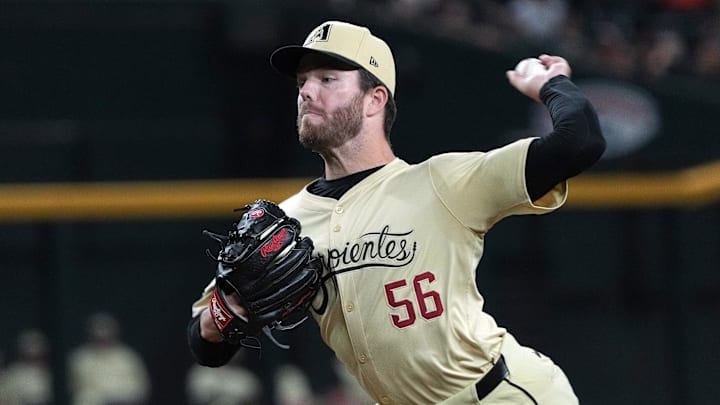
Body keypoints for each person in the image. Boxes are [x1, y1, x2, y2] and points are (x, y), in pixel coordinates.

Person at [188, 20, 605, 404]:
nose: (307, 92)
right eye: (303, 82)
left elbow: (579, 141)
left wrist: (552, 85)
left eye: (328, 79)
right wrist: (229, 313)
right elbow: (206, 344)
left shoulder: (443, 182)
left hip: (501, 395)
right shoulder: (287, 224)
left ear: (375, 99)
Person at [67, 312, 150, 405]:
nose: (103, 341)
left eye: (106, 337)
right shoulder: (81, 358)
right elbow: (76, 386)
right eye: (99, 338)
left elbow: (141, 387)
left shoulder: (128, 356)